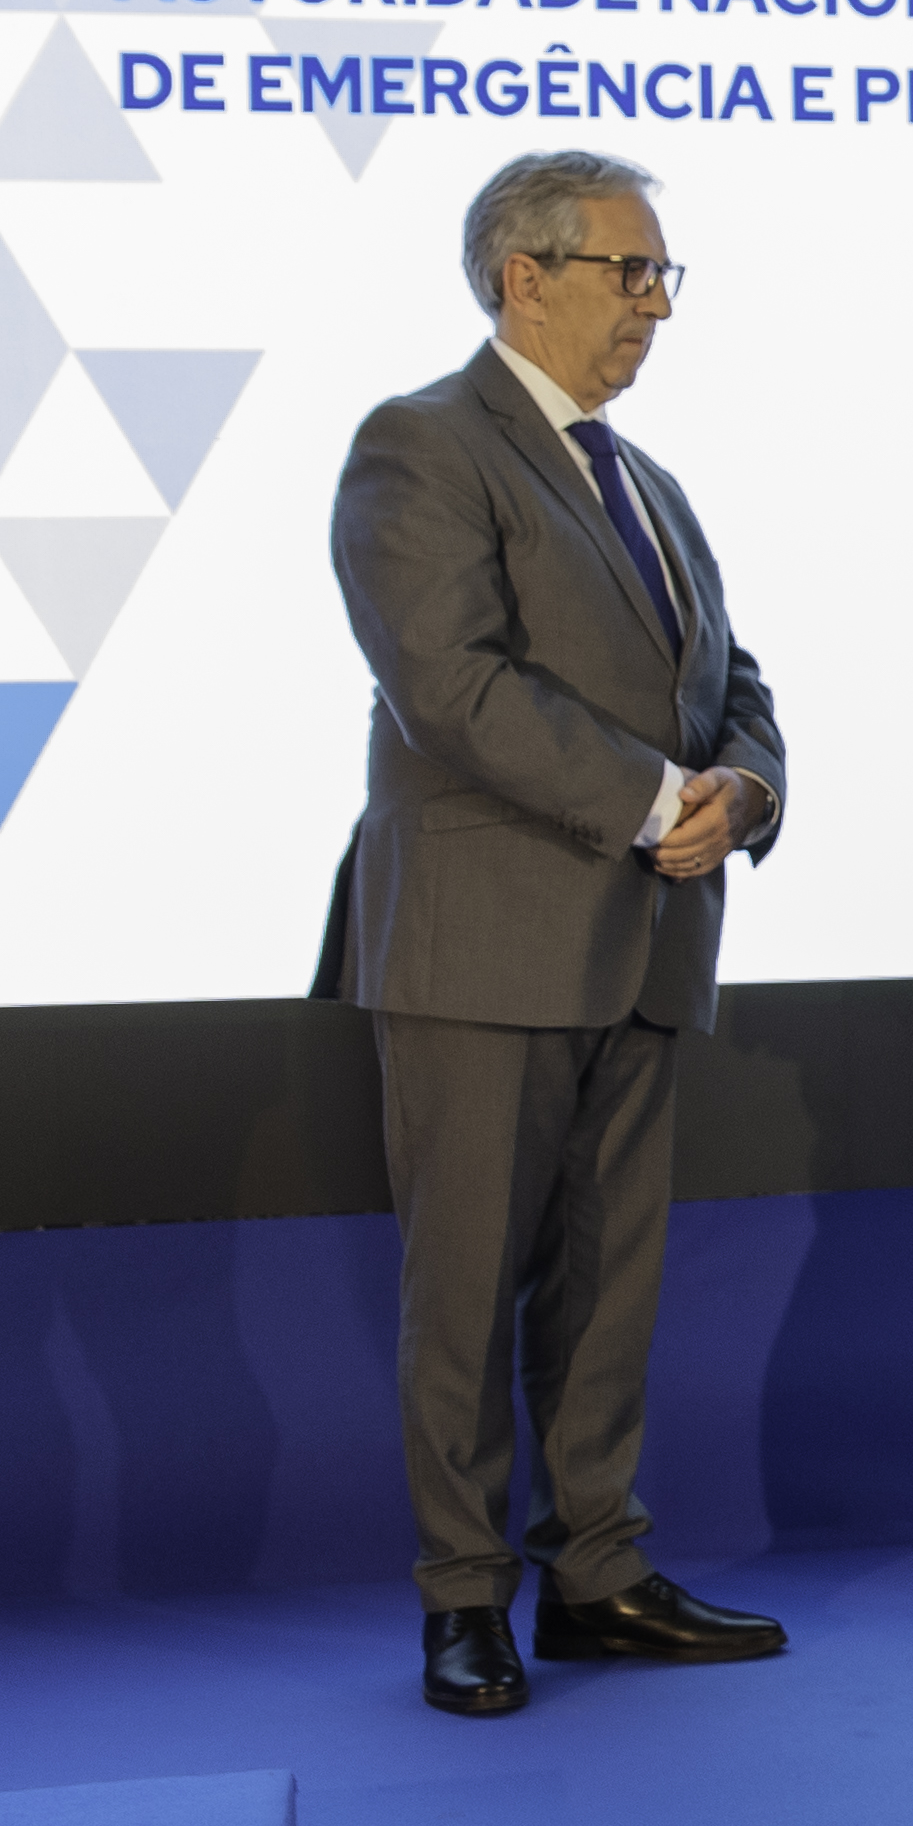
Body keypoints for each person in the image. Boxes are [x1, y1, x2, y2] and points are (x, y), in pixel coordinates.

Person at [323, 151, 788, 1719]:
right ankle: (464, 1597)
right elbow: (447, 685)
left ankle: (597, 1576)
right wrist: (660, 800)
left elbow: (734, 680)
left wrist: (745, 789)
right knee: (465, 1294)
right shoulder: (419, 444)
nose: (656, 304)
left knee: (606, 1290)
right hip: (481, 946)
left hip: (643, 941)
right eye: (627, 271)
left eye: (663, 275)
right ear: (523, 278)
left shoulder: (644, 480)